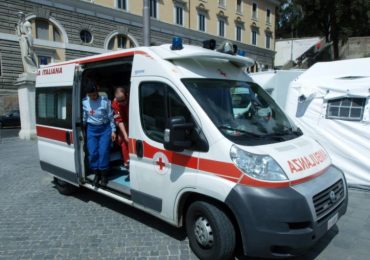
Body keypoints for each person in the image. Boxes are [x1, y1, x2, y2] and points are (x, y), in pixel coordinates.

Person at [82, 80, 116, 187]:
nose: (92, 96)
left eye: (93, 94)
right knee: (93, 152)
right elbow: (84, 116)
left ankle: (104, 175)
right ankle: (96, 174)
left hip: (104, 129)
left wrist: (113, 130)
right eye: (90, 95)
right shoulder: (84, 101)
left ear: (97, 91)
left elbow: (111, 117)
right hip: (91, 129)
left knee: (103, 151)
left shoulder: (105, 102)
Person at [112, 86, 130, 170]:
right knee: (122, 141)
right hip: (124, 123)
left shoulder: (132, 99)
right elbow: (119, 120)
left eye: (123, 100)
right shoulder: (115, 103)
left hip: (133, 122)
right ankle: (127, 162)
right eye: (119, 100)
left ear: (127, 95)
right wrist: (125, 134)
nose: (121, 103)